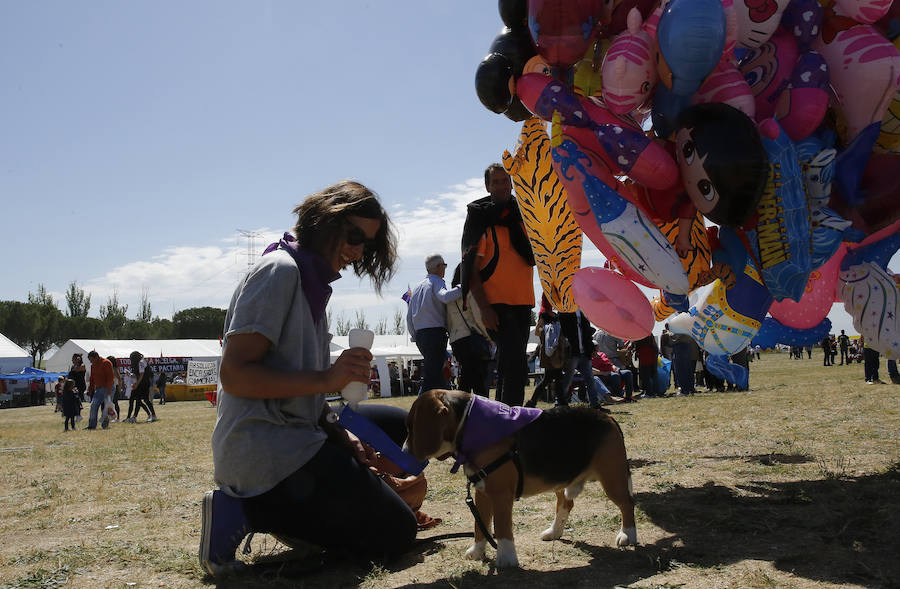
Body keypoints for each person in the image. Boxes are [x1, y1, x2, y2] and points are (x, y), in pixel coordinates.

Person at [200, 181, 417, 576]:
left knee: (399, 423)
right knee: (398, 535)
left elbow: (306, 395)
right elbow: (234, 376)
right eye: (353, 236)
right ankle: (246, 509)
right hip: (267, 448)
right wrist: (327, 379)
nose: (358, 251)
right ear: (325, 221)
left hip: (300, 436)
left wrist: (340, 434)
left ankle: (310, 520)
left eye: (366, 244)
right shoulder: (279, 272)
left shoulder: (311, 280)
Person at [461, 164, 535, 406]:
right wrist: (484, 308)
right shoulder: (483, 220)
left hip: (524, 302)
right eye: (496, 182)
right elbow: (470, 269)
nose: (502, 186)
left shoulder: (523, 216)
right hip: (497, 304)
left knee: (510, 365)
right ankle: (512, 422)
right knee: (515, 366)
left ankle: (503, 419)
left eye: (506, 181)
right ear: (487, 187)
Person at [406, 253, 462, 394]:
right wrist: (463, 287)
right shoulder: (436, 281)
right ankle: (419, 409)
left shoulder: (418, 287)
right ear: (438, 267)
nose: (445, 269)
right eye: (444, 265)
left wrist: (415, 336)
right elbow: (445, 297)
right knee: (432, 377)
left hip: (421, 335)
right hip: (435, 334)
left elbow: (409, 316)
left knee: (438, 375)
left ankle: (445, 405)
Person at [446, 264, 491, 398]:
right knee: (479, 382)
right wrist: (488, 336)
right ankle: (481, 411)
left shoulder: (449, 298)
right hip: (471, 339)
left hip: (456, 341)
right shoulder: (469, 292)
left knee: (467, 378)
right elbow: (478, 317)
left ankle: (461, 409)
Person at [558, 310, 606, 408]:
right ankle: (559, 404)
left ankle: (595, 405)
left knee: (590, 379)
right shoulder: (563, 311)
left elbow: (587, 332)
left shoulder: (583, 311)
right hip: (572, 352)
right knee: (567, 380)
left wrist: (591, 348)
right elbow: (562, 331)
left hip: (584, 352)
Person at [85, 351, 114, 430]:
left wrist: (109, 391)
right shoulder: (93, 365)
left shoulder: (106, 363)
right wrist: (90, 389)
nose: (91, 362)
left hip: (107, 388)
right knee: (93, 406)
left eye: (91, 360)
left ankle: (105, 425)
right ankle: (91, 425)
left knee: (106, 407)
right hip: (98, 389)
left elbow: (110, 378)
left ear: (96, 357)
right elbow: (92, 379)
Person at [129, 352, 158, 423]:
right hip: (143, 382)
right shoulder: (142, 361)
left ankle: (153, 415)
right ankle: (134, 417)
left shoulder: (141, 362)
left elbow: (141, 374)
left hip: (144, 383)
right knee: (140, 400)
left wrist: (136, 384)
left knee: (145, 400)